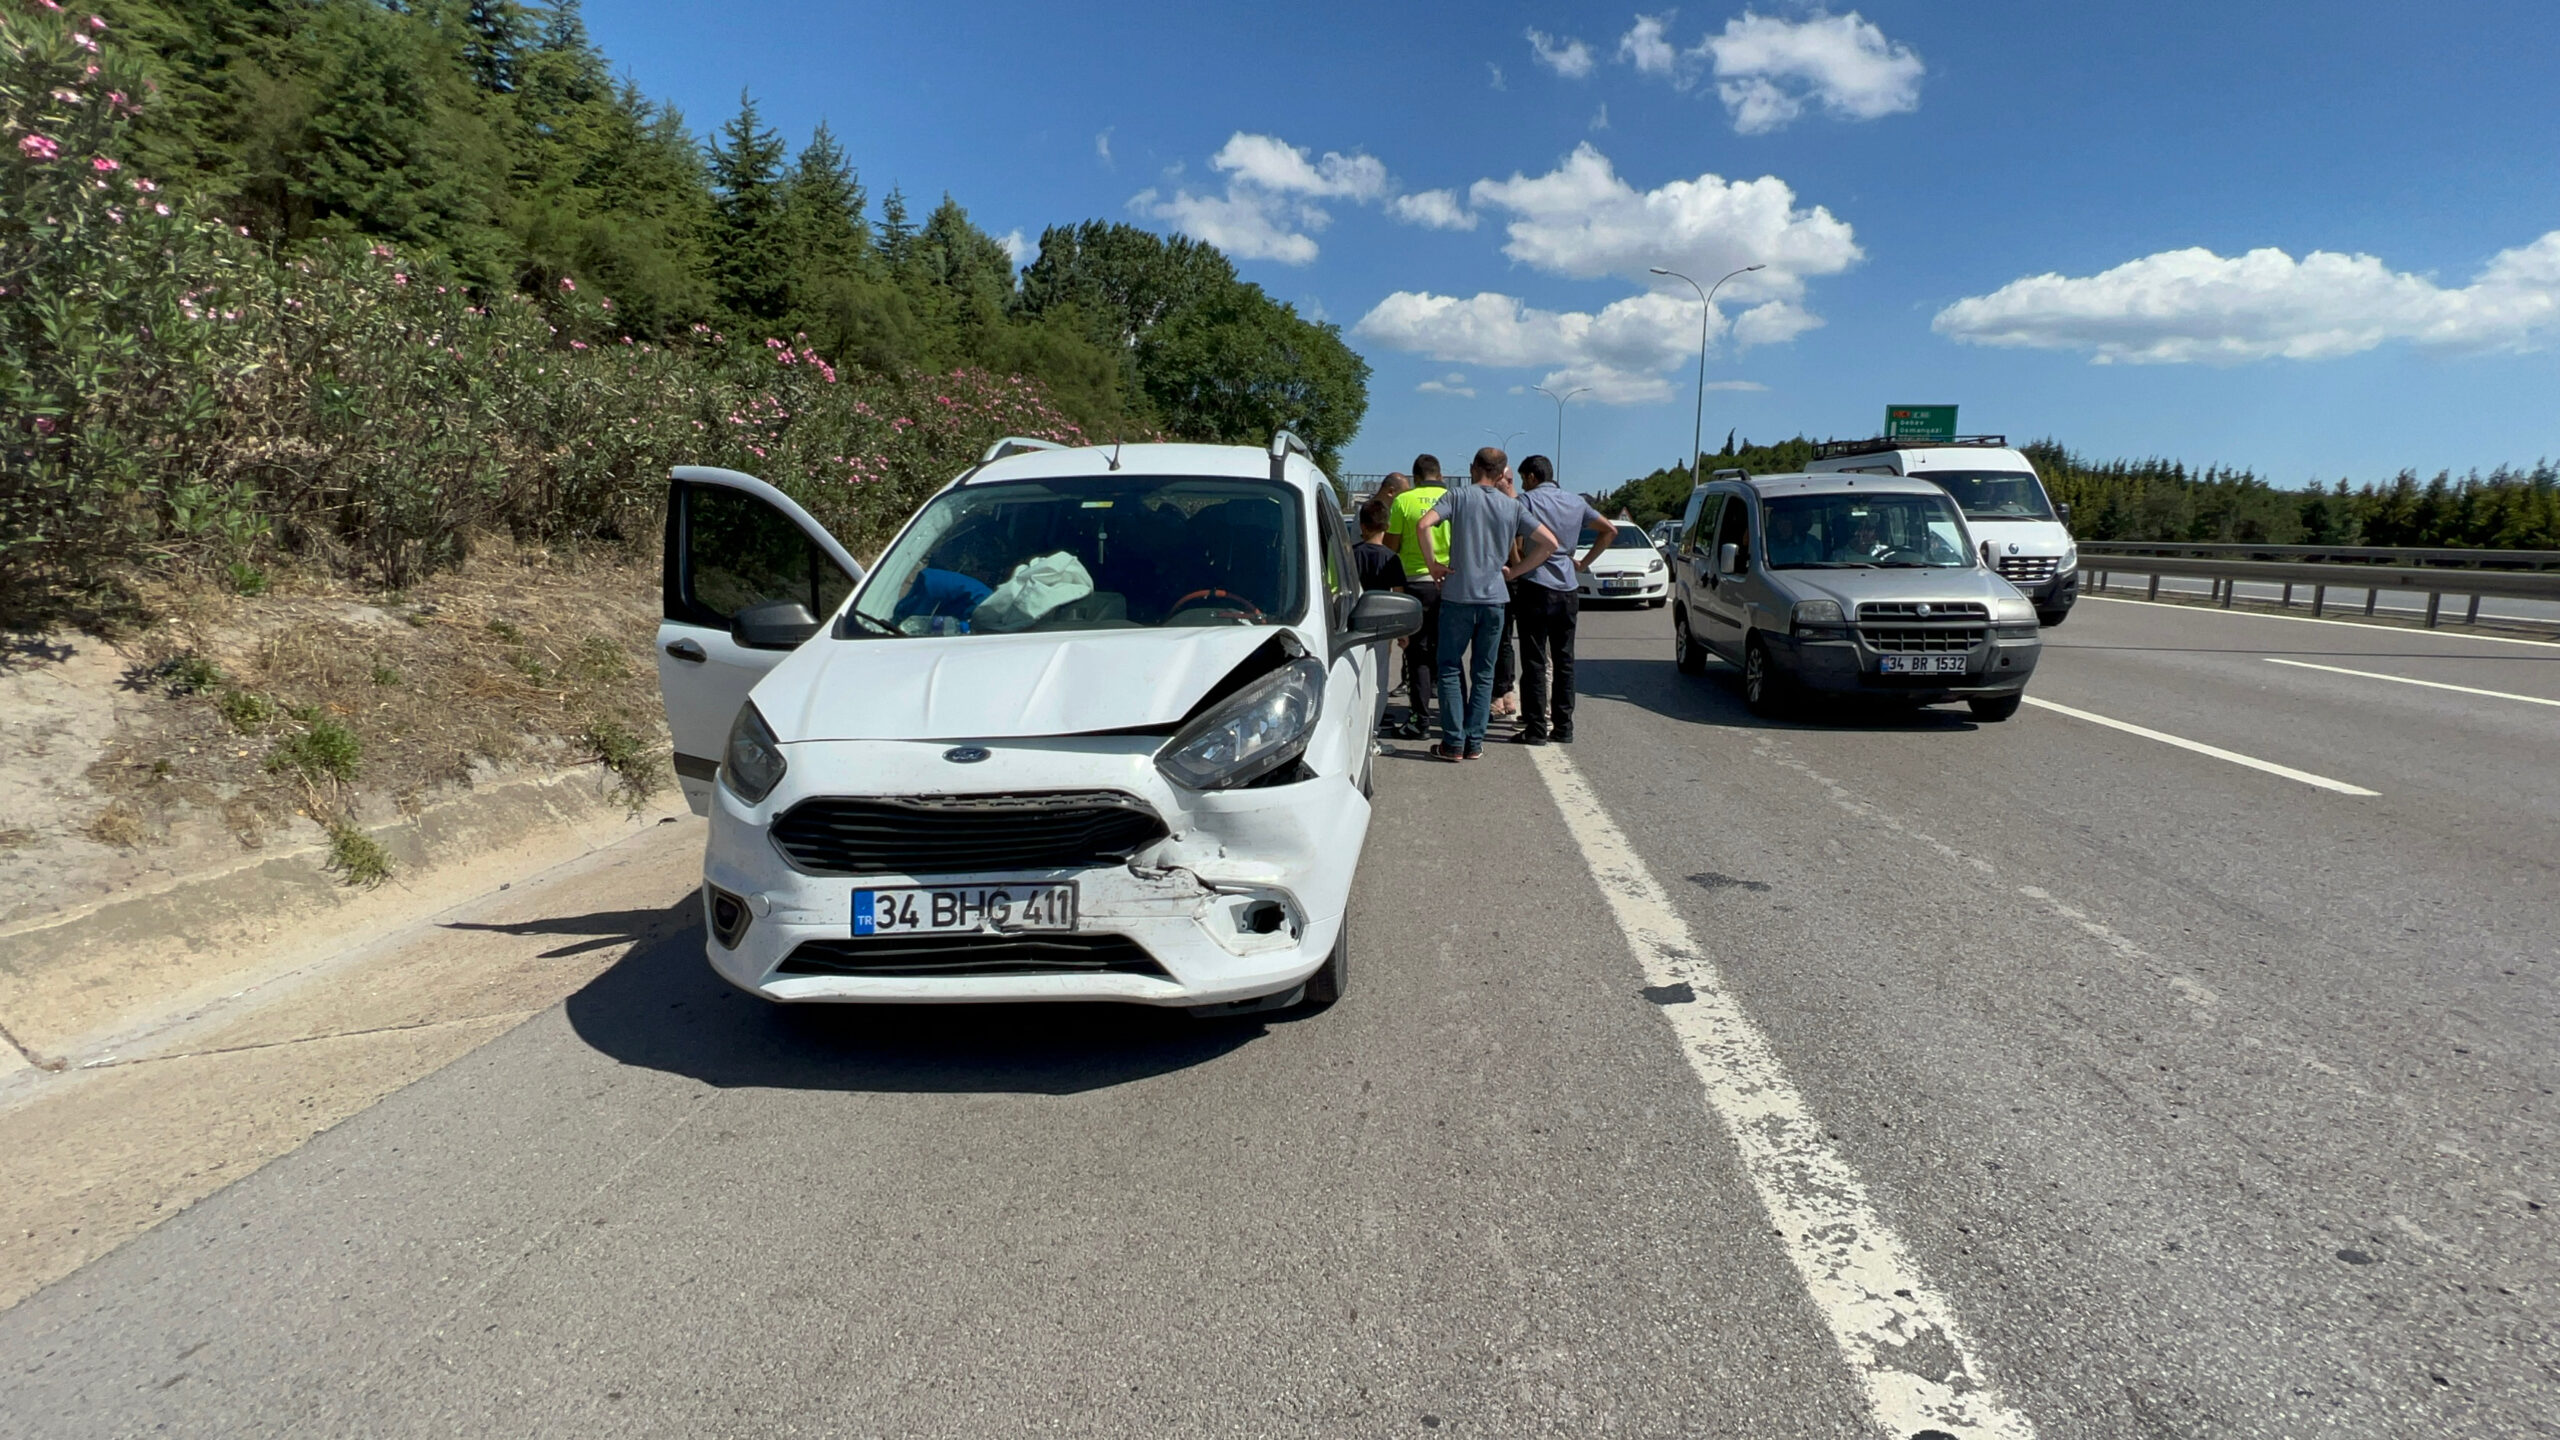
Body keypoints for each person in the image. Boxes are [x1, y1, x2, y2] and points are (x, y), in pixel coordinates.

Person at [1415, 448, 1558, 760]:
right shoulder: (1512, 507)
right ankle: (1474, 741)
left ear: (1472, 468)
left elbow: (1423, 525)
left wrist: (1433, 564)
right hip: (1495, 598)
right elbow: (1550, 542)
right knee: (1484, 671)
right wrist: (1516, 571)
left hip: (1457, 596)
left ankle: (1453, 742)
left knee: (1450, 667)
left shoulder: (1458, 497)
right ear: (1501, 472)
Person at [1507, 454, 1609, 745]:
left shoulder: (1526, 502)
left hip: (1536, 585)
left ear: (1530, 477)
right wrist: (1584, 561)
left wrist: (1515, 568)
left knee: (1535, 660)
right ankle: (1564, 727)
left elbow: (1512, 538)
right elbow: (1609, 530)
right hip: (1567, 587)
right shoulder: (1576, 502)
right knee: (1564, 661)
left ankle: (1536, 728)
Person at [1384, 456, 1449, 738]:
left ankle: (1419, 721)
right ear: (1440, 474)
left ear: (1416, 477)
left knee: (1417, 654)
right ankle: (1452, 721)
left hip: (1415, 584)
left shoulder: (1404, 501)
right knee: (1449, 654)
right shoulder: (1455, 499)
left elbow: (1390, 547)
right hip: (1450, 584)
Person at [1353, 497, 1404, 592]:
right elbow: (1398, 591)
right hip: (1383, 605)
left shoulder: (1352, 554)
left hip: (1358, 605)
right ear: (1387, 526)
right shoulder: (1392, 558)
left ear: (1362, 526)